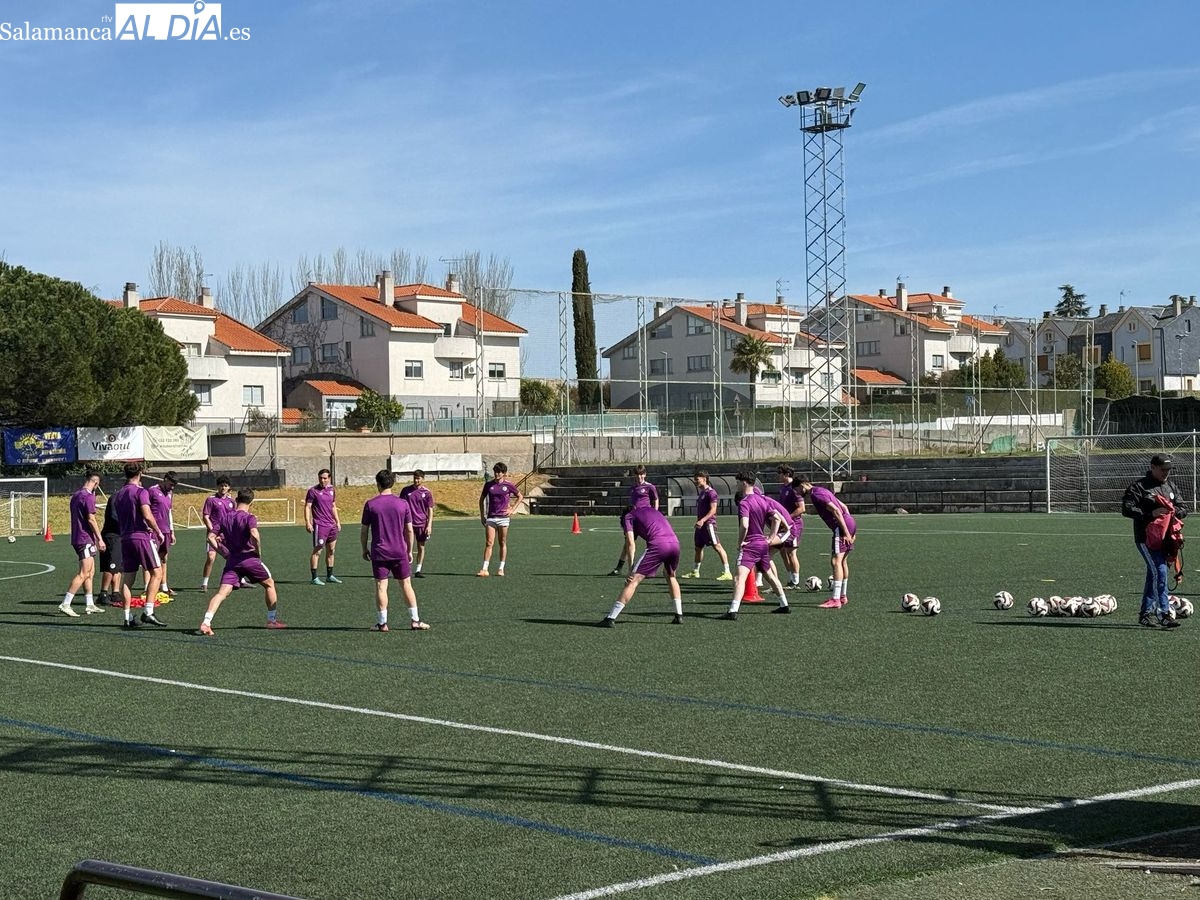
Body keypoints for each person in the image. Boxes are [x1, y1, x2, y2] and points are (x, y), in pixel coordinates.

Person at [198, 488, 285, 635]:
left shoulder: (224, 518)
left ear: (236, 500)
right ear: (252, 502)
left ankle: (206, 622)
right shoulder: (249, 517)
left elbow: (210, 538)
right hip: (249, 558)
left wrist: (223, 552)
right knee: (269, 584)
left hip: (232, 560)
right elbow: (254, 534)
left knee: (222, 593)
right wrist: (258, 552)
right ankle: (271, 621)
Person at [361, 469, 431, 632]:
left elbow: (364, 530)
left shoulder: (371, 504)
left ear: (378, 484)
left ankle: (382, 623)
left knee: (381, 586)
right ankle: (415, 620)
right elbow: (409, 530)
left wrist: (364, 548)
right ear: (392, 484)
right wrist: (409, 550)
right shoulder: (402, 503)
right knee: (406, 584)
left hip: (380, 552)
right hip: (399, 551)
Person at [1121, 453, 1186, 628]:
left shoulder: (1170, 486)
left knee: (1154, 574)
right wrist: (1151, 514)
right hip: (1146, 538)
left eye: (1168, 470)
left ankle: (1145, 614)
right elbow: (1126, 509)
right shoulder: (1139, 487)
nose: (1166, 473)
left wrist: (1175, 512)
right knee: (1160, 571)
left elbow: (1183, 507)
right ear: (1153, 468)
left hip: (1166, 539)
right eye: (1163, 469)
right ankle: (1164, 613)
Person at [719, 473, 790, 620]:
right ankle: (784, 604)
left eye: (738, 482)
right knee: (770, 576)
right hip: (762, 545)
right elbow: (777, 519)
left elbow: (744, 525)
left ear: (744, 483)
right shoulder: (762, 500)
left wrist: (740, 542)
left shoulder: (744, 502)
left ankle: (732, 611)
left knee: (739, 578)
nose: (736, 485)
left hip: (750, 545)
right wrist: (771, 538)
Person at [599, 504, 683, 626]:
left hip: (658, 545)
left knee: (632, 581)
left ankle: (610, 618)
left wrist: (630, 569)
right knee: (670, 576)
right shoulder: (653, 511)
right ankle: (679, 615)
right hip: (675, 543)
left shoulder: (628, 516)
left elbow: (630, 543)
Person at [113, 462, 167, 628]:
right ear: (140, 473)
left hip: (125, 538)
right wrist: (158, 531)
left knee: (128, 578)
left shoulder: (118, 494)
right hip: (141, 537)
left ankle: (127, 617)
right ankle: (148, 611)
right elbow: (147, 515)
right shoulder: (140, 491)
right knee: (157, 572)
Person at [798, 475, 857, 609]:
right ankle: (842, 596)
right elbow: (844, 507)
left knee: (836, 561)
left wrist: (846, 532)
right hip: (850, 521)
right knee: (843, 561)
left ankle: (835, 599)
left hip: (840, 526)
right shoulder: (823, 490)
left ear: (802, 485)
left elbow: (836, 510)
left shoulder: (815, 494)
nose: (798, 494)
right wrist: (851, 528)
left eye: (797, 490)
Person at [58, 469, 106, 617]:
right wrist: (100, 539)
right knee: (84, 573)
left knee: (90, 572)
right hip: (84, 538)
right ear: (96, 483)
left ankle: (89, 604)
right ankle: (66, 603)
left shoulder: (77, 495)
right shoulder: (88, 496)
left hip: (81, 538)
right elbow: (91, 519)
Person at [680, 470, 732, 580]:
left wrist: (703, 520)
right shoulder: (702, 493)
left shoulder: (711, 493)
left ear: (704, 479)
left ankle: (727, 572)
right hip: (701, 526)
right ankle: (696, 571)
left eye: (697, 479)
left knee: (717, 546)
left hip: (709, 524)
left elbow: (713, 510)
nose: (695, 482)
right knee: (698, 548)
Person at [609, 465, 658, 575]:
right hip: (634, 519)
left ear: (644, 474)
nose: (639, 477)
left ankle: (650, 568)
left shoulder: (650, 487)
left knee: (652, 543)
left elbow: (655, 500)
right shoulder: (632, 488)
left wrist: (655, 515)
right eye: (637, 475)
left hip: (646, 519)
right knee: (628, 543)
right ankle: (619, 568)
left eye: (641, 474)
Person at [478, 462, 523, 577]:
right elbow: (481, 500)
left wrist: (512, 509)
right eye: (495, 471)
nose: (497, 474)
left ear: (504, 473)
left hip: (503, 518)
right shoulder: (489, 485)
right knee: (489, 543)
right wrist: (482, 515)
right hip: (491, 518)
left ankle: (501, 568)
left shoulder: (508, 485)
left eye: (499, 472)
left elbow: (520, 496)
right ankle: (484, 569)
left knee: (502, 542)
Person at [305, 468, 342, 585]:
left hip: (331, 525)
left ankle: (329, 576)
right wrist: (307, 522)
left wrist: (338, 521)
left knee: (331, 550)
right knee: (318, 551)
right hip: (320, 525)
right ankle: (314, 578)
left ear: (329, 478)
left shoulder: (332, 490)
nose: (322, 480)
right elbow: (307, 507)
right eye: (320, 478)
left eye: (325, 478)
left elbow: (333, 506)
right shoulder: (313, 491)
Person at [200, 476, 235, 590]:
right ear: (217, 486)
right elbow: (206, 517)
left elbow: (233, 517)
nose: (223, 488)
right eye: (221, 485)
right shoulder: (211, 499)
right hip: (213, 535)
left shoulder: (231, 501)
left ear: (229, 487)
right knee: (211, 557)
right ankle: (204, 583)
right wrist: (213, 532)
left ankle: (240, 580)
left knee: (233, 557)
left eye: (225, 486)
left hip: (227, 535)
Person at [399, 469, 434, 578]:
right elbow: (400, 506)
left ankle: (418, 570)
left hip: (421, 523)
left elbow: (430, 509)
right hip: (408, 523)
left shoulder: (427, 493)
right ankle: (405, 569)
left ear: (423, 479)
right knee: (406, 546)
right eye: (414, 478)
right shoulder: (406, 491)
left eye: (418, 478)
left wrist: (429, 525)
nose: (416, 480)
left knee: (421, 546)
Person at [147, 471, 177, 597]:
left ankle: (164, 587)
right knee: (151, 560)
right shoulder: (152, 490)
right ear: (165, 480)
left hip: (166, 531)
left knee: (164, 558)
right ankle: (147, 588)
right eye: (171, 484)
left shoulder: (170, 493)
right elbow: (145, 509)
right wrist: (146, 526)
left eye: (174, 485)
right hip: (154, 530)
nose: (172, 487)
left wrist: (172, 531)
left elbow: (169, 512)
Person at [775, 465, 805, 587]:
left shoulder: (794, 488)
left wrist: (788, 518)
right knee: (782, 551)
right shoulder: (783, 488)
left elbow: (801, 508)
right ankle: (790, 578)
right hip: (784, 524)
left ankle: (795, 581)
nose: (778, 476)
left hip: (794, 525)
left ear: (786, 474)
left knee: (791, 552)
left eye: (780, 473)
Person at [97, 485, 123, 607]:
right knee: (111, 566)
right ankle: (103, 593)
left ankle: (115, 593)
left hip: (121, 535)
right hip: (112, 535)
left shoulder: (127, 498)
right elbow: (114, 516)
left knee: (119, 566)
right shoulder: (116, 497)